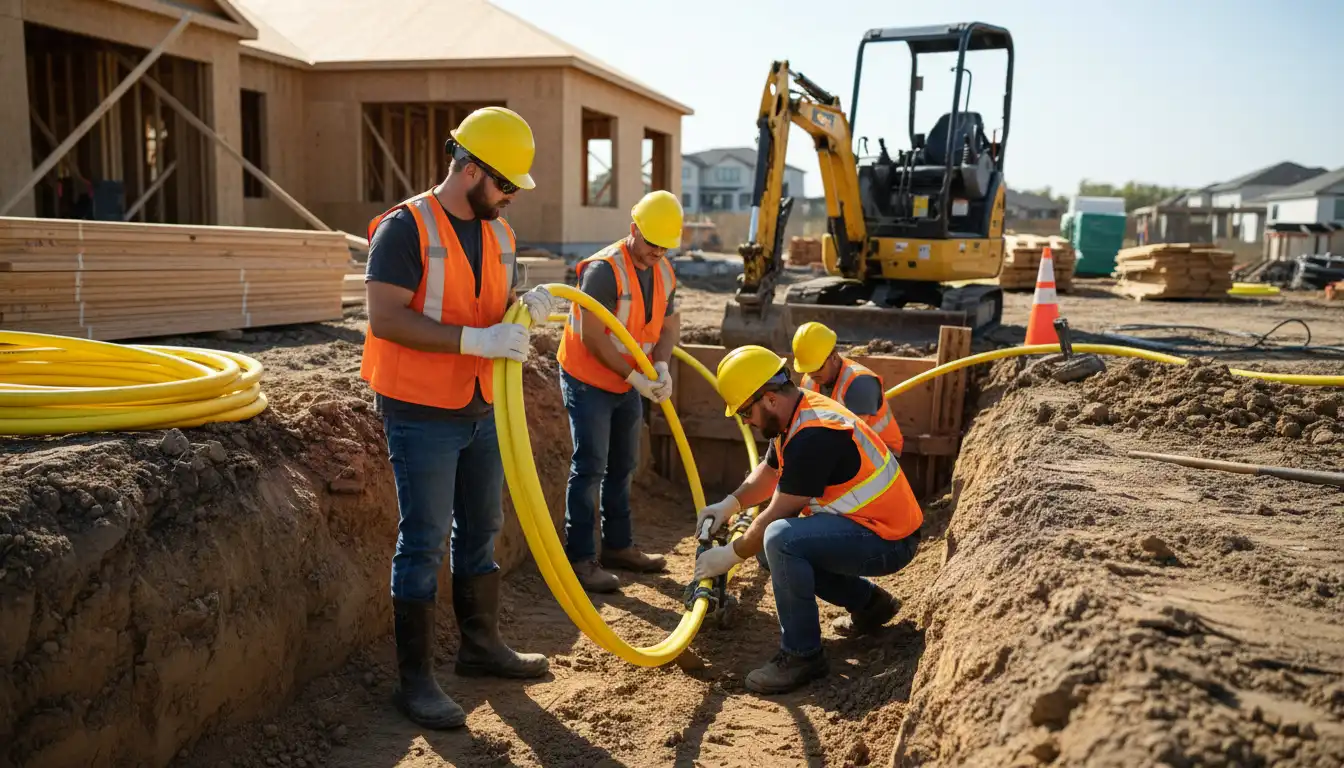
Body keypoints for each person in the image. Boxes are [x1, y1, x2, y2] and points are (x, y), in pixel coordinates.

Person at [361, 106, 558, 730]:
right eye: (503, 184)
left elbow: (491, 303)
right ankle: (415, 682)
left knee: (481, 528)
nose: (508, 198)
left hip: (481, 403)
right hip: (420, 409)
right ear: (469, 168)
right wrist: (476, 342)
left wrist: (525, 307)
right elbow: (386, 318)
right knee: (423, 541)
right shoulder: (406, 227)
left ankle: (479, 647)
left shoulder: (499, 232)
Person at [691, 345, 924, 694]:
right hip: (871, 528)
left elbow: (777, 512)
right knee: (770, 548)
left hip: (889, 540)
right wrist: (730, 504)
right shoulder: (796, 415)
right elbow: (770, 472)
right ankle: (871, 605)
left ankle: (802, 654)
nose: (746, 422)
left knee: (780, 539)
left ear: (769, 399)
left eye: (745, 412)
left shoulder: (815, 433)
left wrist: (728, 555)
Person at [555, 190, 684, 592]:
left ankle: (618, 546)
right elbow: (593, 337)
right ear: (633, 230)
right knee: (591, 465)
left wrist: (660, 364)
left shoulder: (663, 270)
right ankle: (580, 558)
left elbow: (669, 325)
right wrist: (635, 378)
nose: (655, 254)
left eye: (663, 248)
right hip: (589, 377)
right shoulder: (603, 270)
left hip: (630, 377)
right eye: (650, 244)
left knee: (624, 464)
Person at [791, 321, 904, 456]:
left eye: (817, 368)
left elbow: (853, 437)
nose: (812, 374)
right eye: (807, 369)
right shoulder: (809, 381)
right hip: (841, 447)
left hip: (881, 453)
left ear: (833, 357)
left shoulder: (860, 383)